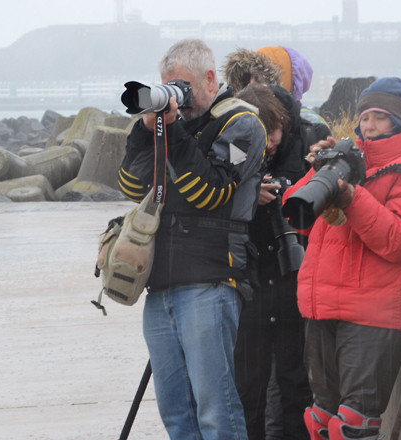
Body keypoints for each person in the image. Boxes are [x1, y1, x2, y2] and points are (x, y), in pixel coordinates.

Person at [117, 38, 267, 440]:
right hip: (161, 285)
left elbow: (211, 192)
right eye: (168, 87)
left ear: (210, 78)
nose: (176, 98)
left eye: (181, 87)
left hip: (210, 282)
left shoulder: (244, 126)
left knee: (215, 410)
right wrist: (149, 130)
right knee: (176, 413)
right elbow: (131, 185)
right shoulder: (171, 126)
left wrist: (175, 130)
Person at [283, 77, 401, 440]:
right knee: (320, 421)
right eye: (365, 116)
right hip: (321, 308)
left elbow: (400, 242)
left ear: (400, 122)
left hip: (371, 316)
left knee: (352, 427)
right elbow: (295, 216)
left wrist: (351, 199)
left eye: (379, 117)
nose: (368, 125)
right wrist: (319, 172)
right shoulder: (348, 161)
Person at [223, 49, 331, 440]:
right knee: (246, 385)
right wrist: (248, 190)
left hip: (292, 276)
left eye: (273, 134)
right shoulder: (235, 137)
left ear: (284, 124)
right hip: (247, 279)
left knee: (295, 382)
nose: (266, 144)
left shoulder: (305, 139)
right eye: (258, 136)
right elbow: (221, 188)